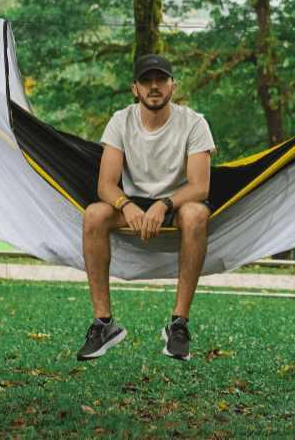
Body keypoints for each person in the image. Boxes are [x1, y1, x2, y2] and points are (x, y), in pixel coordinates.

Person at [76, 54, 216, 362]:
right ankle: (104, 324)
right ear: (135, 89)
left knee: (195, 214)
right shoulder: (120, 121)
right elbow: (105, 185)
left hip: (178, 201)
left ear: (173, 87)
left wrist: (163, 205)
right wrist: (126, 206)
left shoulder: (195, 123)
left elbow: (200, 187)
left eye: (160, 80)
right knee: (94, 215)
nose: (154, 86)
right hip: (134, 202)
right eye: (146, 81)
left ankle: (178, 325)